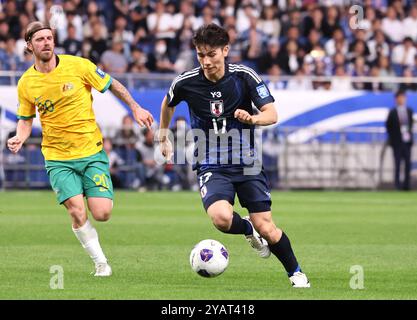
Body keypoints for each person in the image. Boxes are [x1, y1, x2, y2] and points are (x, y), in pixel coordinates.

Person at [158, 23, 310, 288]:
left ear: (225, 50)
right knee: (221, 218)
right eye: (200, 54)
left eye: (212, 54)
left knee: (268, 228)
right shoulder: (186, 81)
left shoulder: (244, 76)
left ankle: (296, 273)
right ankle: (247, 229)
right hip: (211, 162)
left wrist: (252, 118)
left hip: (247, 162)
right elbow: (168, 103)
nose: (206, 61)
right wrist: (163, 135)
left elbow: (272, 114)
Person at [7, 21, 153, 276]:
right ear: (29, 46)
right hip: (57, 157)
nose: (46, 43)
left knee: (102, 213)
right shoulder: (26, 83)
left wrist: (135, 107)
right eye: (40, 39)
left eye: (49, 38)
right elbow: (26, 119)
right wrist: (20, 137)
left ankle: (91, 225)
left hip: (91, 152)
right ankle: (101, 263)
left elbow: (113, 84)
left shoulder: (79, 65)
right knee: (76, 210)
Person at [385, 90, 414, 191]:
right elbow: (388, 127)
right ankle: (397, 185)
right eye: (399, 97)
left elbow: (410, 125)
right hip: (397, 143)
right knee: (397, 164)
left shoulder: (409, 111)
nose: (401, 99)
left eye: (403, 97)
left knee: (407, 164)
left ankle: (407, 185)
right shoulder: (392, 112)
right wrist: (393, 140)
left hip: (407, 142)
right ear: (396, 99)